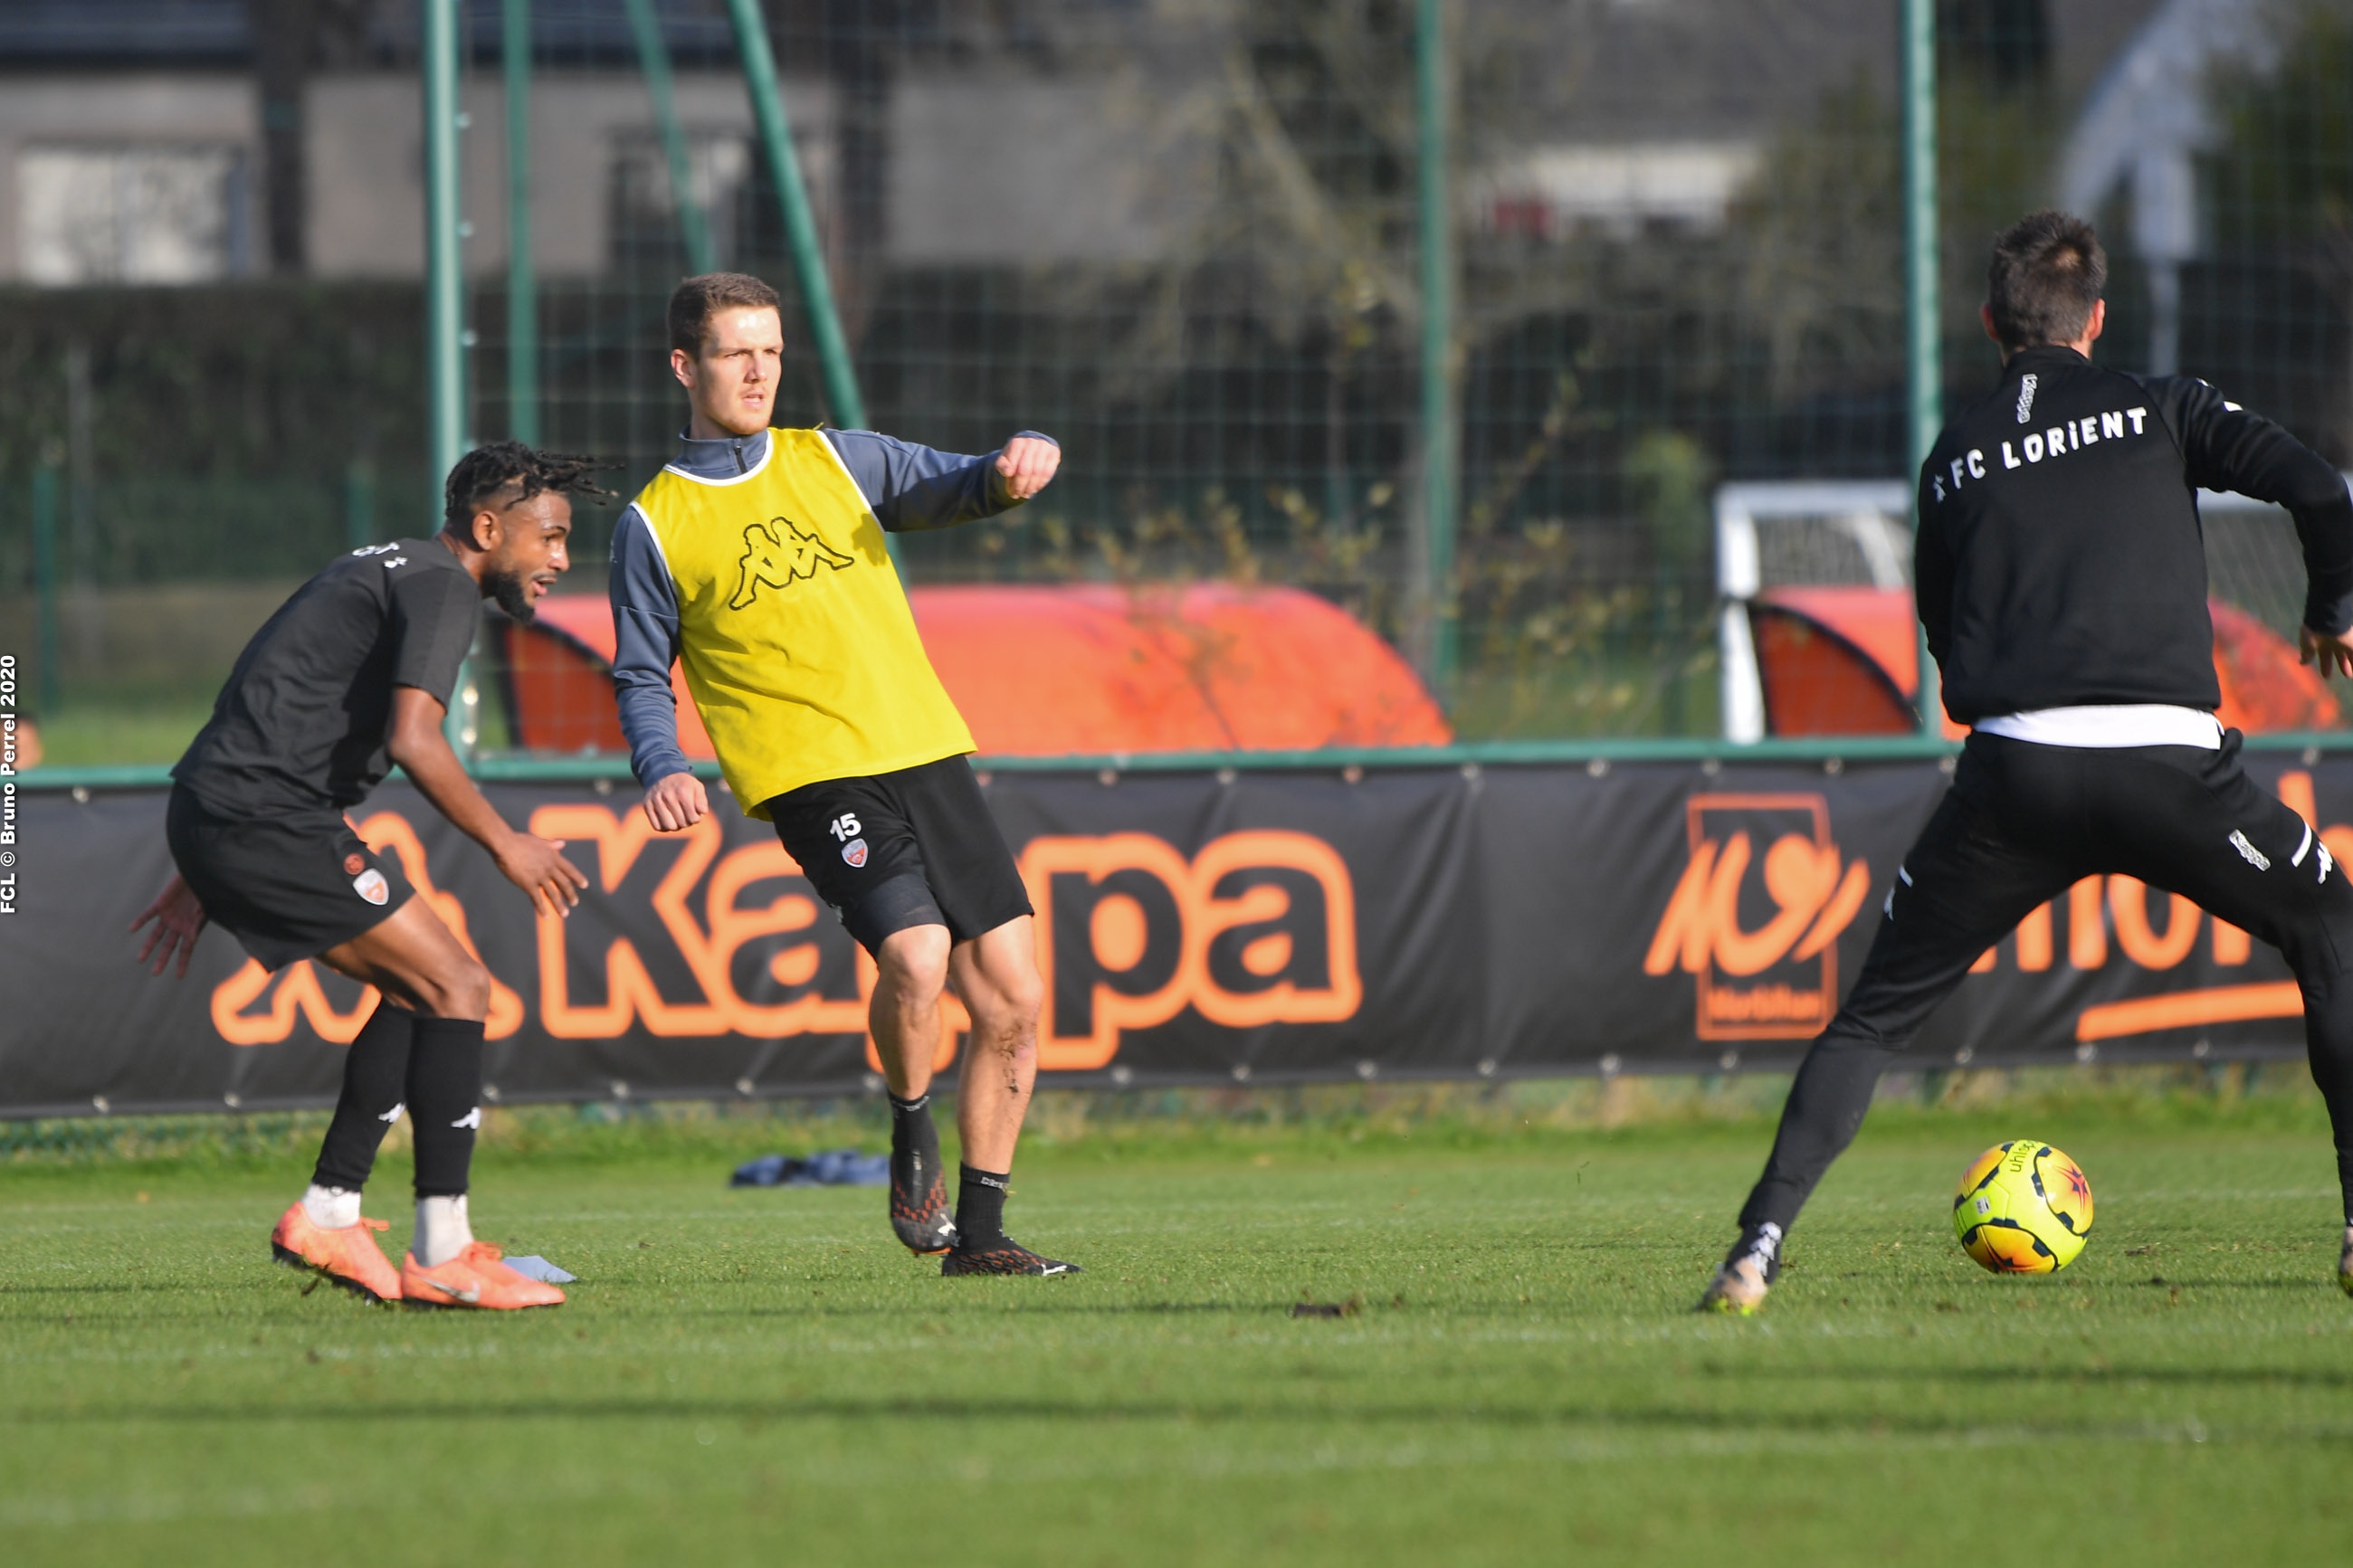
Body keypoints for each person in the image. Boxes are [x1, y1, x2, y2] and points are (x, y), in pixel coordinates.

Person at [1699, 211, 2353, 1315]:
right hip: (2167, 767)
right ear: (2094, 318)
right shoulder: (2160, 405)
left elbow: (1940, 636)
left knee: (1871, 1018)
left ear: (1986, 322)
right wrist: (2329, 606)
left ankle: (1752, 1251)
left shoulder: (1951, 458)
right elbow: (2320, 490)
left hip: (2013, 779)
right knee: (2330, 928)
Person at [610, 271, 1072, 1276]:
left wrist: (1017, 461)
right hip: (814, 775)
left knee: (1014, 997)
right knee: (917, 955)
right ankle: (910, 1121)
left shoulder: (834, 458)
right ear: (685, 366)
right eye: (736, 352)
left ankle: (981, 1238)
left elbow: (963, 482)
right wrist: (661, 762)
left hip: (924, 747)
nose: (758, 371)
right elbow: (642, 672)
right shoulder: (653, 522)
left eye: (771, 351)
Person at [132, 442, 604, 1309]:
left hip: (226, 810)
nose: (561, 560)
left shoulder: (384, 565)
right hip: (265, 817)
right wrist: (507, 842)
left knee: (419, 988)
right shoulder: (442, 588)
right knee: (459, 985)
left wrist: (199, 861)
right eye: (549, 538)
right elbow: (414, 739)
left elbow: (271, 693)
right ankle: (443, 1251)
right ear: (487, 529)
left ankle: (330, 1209)